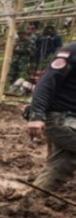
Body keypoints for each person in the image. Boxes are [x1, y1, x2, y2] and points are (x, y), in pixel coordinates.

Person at [26, 42, 76, 191]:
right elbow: (47, 82)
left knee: (63, 163)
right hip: (59, 119)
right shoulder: (71, 51)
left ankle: (33, 201)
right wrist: (36, 115)